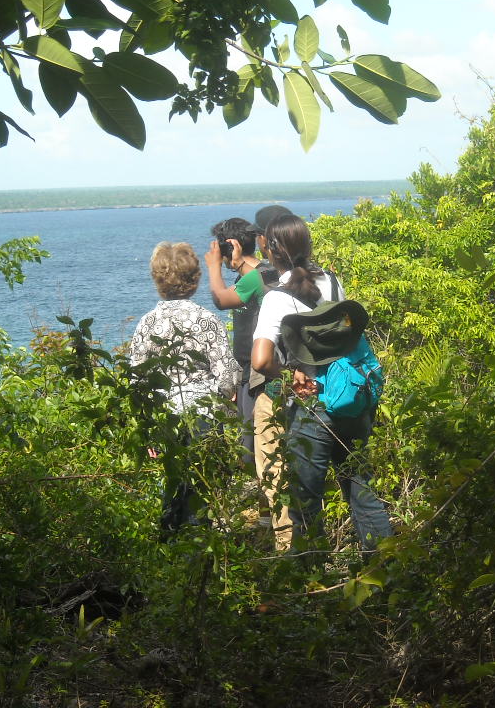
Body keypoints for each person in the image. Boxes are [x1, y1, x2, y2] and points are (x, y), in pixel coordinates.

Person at [250, 214, 392, 554]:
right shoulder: (331, 281)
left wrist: (289, 374)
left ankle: (311, 574)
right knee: (361, 488)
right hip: (351, 398)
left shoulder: (276, 299)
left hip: (312, 407)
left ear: (270, 250)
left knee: (305, 504)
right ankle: (387, 568)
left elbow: (260, 360)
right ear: (307, 245)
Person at [129, 242, 239, 536]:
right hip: (204, 415)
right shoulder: (207, 320)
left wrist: (147, 425)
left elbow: (138, 380)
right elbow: (226, 375)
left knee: (172, 484)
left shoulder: (147, 323)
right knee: (201, 488)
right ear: (194, 279)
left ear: (158, 279)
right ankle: (198, 549)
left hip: (165, 417)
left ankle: (169, 545)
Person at [204, 212, 293, 549]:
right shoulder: (263, 272)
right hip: (250, 371)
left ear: (231, 246)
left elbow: (221, 299)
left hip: (256, 374)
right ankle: (267, 518)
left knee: (256, 447)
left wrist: (214, 266)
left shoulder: (257, 276)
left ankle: (272, 525)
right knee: (257, 447)